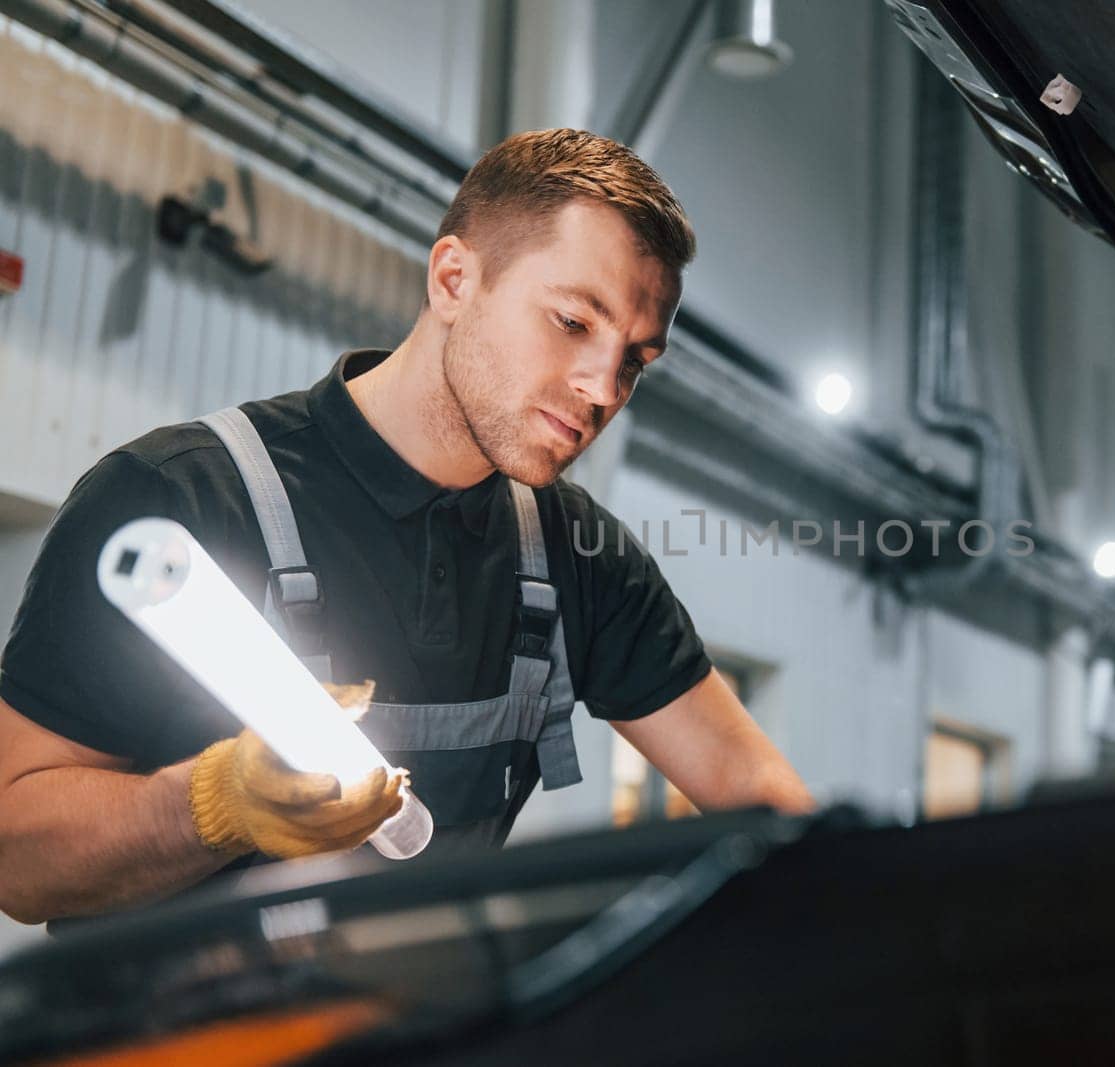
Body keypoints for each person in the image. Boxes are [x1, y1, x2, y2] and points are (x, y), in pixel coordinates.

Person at [0, 129, 813, 926]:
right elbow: (15, 863)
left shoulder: (579, 559)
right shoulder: (177, 499)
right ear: (454, 279)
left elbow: (770, 809)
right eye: (572, 322)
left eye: (634, 358)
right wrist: (208, 806)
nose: (603, 388)